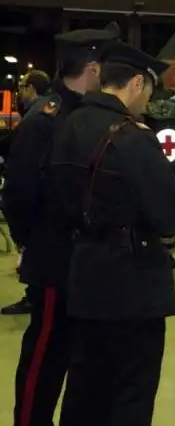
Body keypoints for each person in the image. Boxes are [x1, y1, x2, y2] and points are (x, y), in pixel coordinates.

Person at [50, 40, 175, 426]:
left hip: (83, 273)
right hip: (133, 283)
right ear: (137, 83)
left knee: (84, 383)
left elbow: (54, 198)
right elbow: (170, 215)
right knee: (131, 389)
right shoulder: (133, 138)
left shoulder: (68, 122)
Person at [5, 24, 118, 426]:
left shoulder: (87, 115)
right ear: (92, 68)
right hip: (55, 261)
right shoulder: (47, 119)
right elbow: (18, 195)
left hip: (83, 261)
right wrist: (35, 244)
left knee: (77, 353)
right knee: (46, 353)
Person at [1, 70, 53, 317]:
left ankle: (34, 298)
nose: (20, 91)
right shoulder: (49, 111)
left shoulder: (36, 117)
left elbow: (25, 168)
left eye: (23, 86)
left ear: (32, 88)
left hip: (36, 203)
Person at [143, 80, 175, 269]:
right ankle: (169, 252)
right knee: (173, 205)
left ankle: (154, 250)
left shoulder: (144, 114)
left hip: (152, 168)